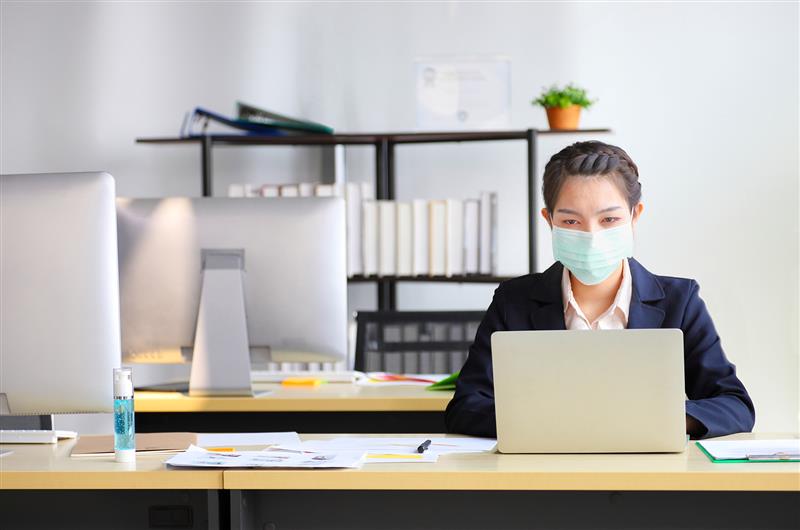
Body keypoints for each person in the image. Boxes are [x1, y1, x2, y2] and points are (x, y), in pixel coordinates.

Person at [445, 141, 755, 440]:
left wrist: (657, 418)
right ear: (549, 221)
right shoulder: (513, 301)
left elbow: (734, 406)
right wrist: (558, 420)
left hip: (648, 479)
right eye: (571, 220)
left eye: (609, 219)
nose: (592, 235)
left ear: (635, 216)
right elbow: (466, 406)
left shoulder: (680, 301)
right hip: (542, 476)